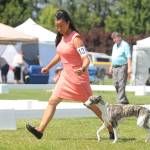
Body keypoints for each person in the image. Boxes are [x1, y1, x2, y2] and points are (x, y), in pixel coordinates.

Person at [26, 9, 114, 140]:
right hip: (65, 78)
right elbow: (59, 55)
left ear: (68, 23)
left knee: (92, 106)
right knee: (52, 101)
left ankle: (111, 129)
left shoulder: (76, 38)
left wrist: (83, 68)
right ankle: (40, 130)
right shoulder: (62, 38)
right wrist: (48, 67)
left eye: (61, 25)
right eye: (56, 26)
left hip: (78, 79)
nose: (59, 28)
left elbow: (86, 58)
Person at [109, 32, 132, 104]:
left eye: (115, 38)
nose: (114, 40)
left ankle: (120, 101)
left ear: (119, 37)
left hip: (123, 66)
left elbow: (128, 57)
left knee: (121, 84)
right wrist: (110, 67)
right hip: (115, 67)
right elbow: (113, 57)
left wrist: (129, 68)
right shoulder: (114, 46)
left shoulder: (125, 45)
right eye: (113, 39)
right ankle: (124, 100)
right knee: (115, 84)